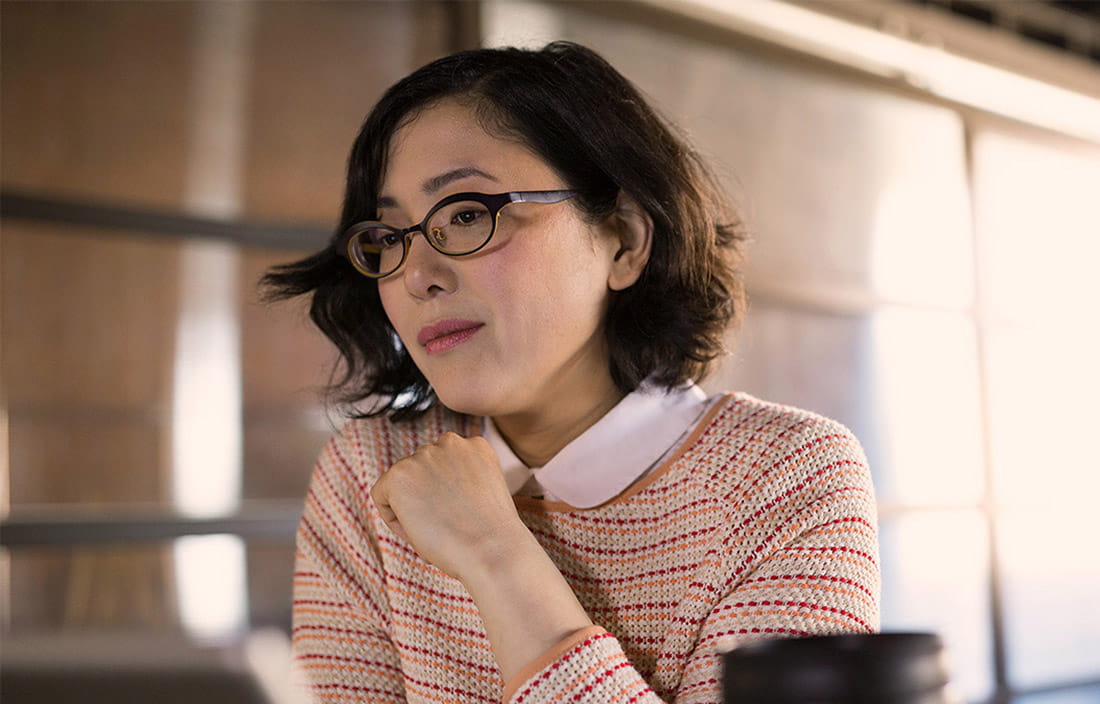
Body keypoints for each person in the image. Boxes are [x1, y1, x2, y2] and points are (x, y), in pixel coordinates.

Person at [264, 41, 879, 704]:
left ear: (623, 240)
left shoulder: (788, 476)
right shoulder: (369, 470)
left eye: (467, 214)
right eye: (389, 238)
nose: (416, 277)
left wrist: (496, 553)